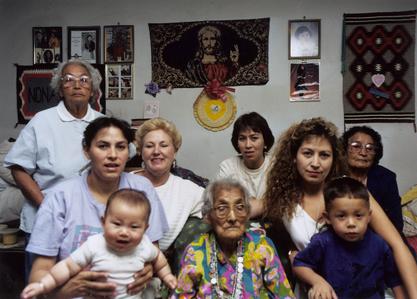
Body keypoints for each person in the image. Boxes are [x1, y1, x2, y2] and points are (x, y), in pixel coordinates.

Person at [263, 117, 417, 298]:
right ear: (294, 157)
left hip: (364, 288)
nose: (315, 163)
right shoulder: (283, 197)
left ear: (334, 159)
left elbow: (397, 245)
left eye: (324, 155)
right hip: (316, 290)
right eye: (307, 153)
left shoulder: (348, 191)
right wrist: (291, 253)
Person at [26, 117, 168, 298]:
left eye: (121, 147)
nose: (113, 155)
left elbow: (152, 253)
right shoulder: (60, 197)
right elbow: (38, 274)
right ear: (87, 150)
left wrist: (148, 271)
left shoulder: (141, 189)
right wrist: (62, 292)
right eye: (103, 146)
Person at [4, 59, 104, 279]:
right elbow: (18, 168)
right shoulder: (42, 121)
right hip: (46, 220)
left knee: (84, 286)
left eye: (84, 80)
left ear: (92, 89)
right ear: (60, 88)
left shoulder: (103, 123)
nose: (77, 85)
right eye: (68, 80)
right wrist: (47, 206)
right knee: (43, 286)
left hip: (89, 223)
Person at [21, 188, 176, 299]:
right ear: (103, 222)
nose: (124, 232)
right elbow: (66, 268)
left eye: (134, 227)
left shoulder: (144, 245)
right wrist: (43, 286)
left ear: (145, 229)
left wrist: (167, 276)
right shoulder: (94, 245)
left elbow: (160, 261)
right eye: (116, 224)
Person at [173, 178, 295, 298]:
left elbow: (284, 295)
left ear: (247, 214)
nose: (232, 217)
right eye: (222, 208)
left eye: (240, 207)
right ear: (208, 216)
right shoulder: (195, 252)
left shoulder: (262, 246)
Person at [293, 177, 405, 299]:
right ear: (328, 218)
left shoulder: (379, 244)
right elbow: (299, 264)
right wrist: (318, 282)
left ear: (369, 216)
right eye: (341, 216)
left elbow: (394, 280)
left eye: (358, 215)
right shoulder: (322, 242)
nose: (351, 223)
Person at [134, 117, 205, 253]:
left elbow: (223, 202)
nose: (156, 151)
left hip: (158, 266)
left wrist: (259, 205)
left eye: (164, 145)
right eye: (149, 146)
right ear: (140, 152)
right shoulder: (123, 182)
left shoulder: (187, 190)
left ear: (175, 151)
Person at [341, 126, 403, 233]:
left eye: (369, 148)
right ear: (344, 149)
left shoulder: (386, 177)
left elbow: (396, 223)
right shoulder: (334, 175)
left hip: (380, 237)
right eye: (356, 146)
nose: (363, 153)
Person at [217, 112, 274, 218]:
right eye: (242, 139)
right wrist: (267, 203)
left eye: (254, 138)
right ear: (237, 143)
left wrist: (256, 204)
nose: (248, 145)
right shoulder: (228, 166)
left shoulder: (276, 165)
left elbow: (284, 203)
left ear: (265, 142)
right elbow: (222, 205)